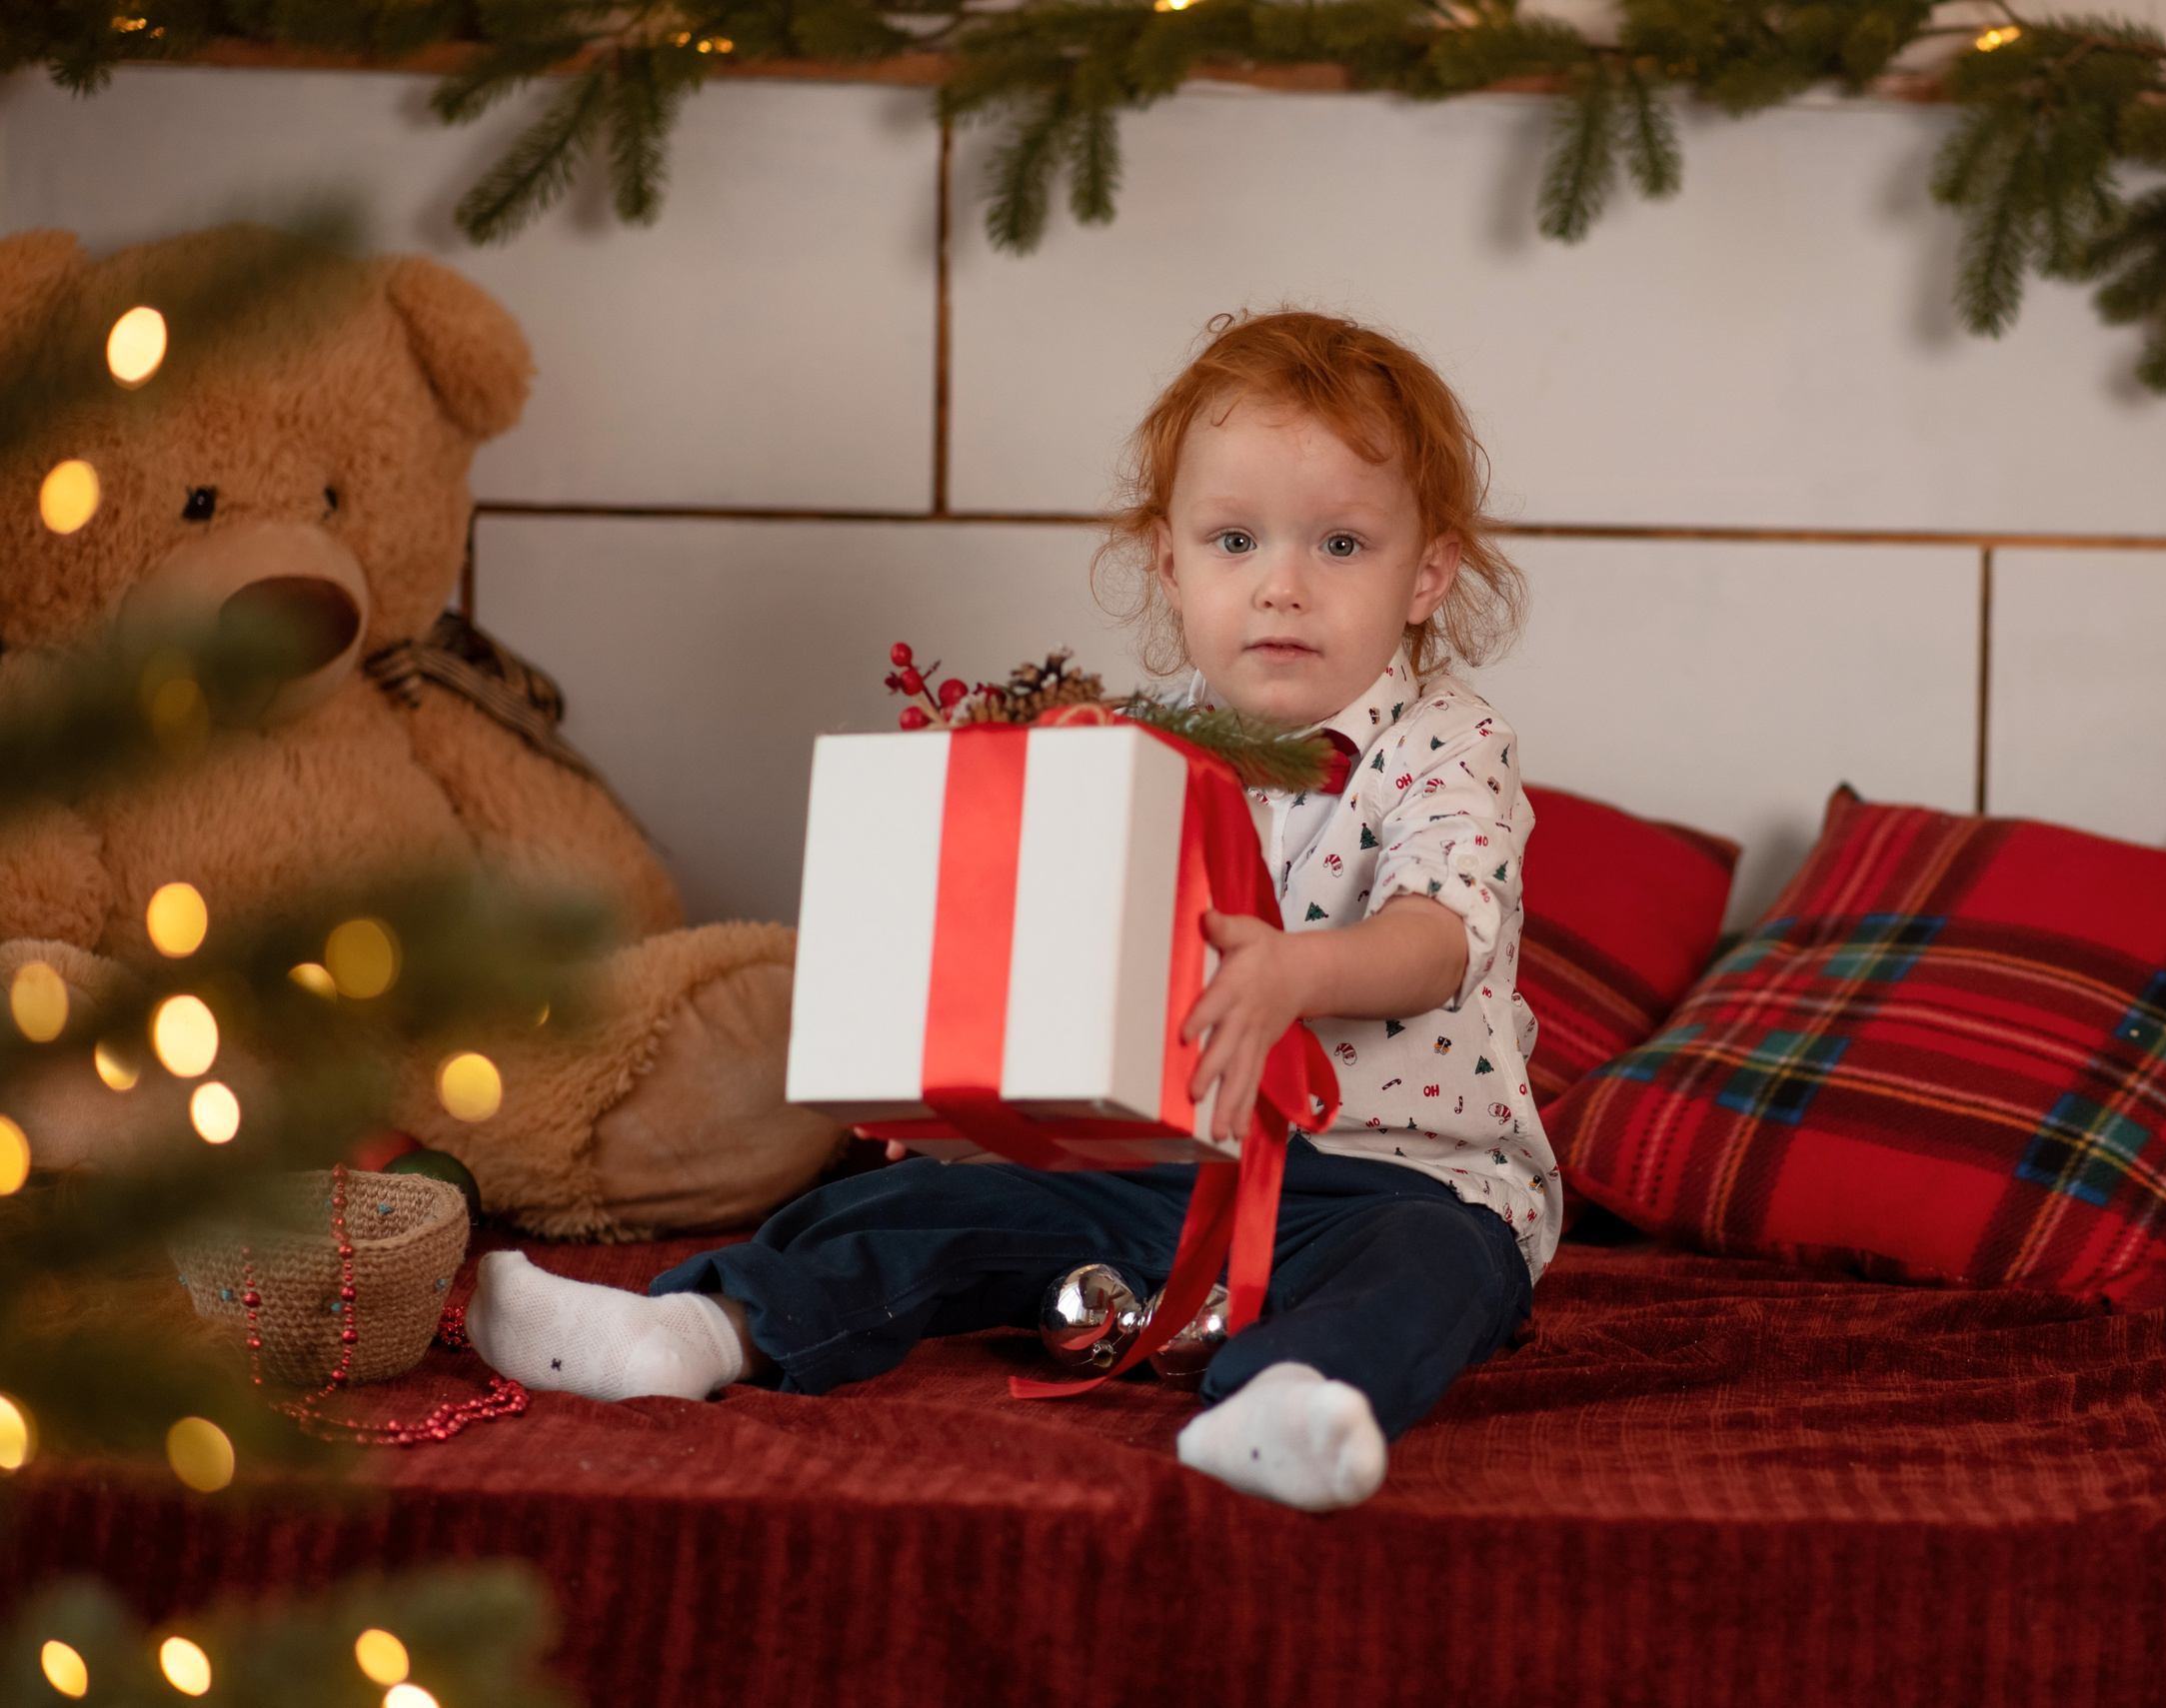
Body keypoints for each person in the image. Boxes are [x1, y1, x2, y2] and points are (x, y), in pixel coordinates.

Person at [467, 310, 1556, 1511]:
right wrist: (956, 1075)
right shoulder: (1131, 739)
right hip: (1157, 1166)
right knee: (911, 1201)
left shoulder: (1447, 746)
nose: (1282, 585)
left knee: (1436, 1273)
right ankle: (698, 1327)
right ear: (1169, 564)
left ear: (1429, 574)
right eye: (1235, 539)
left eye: (1342, 543)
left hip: (1392, 1178)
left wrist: (1299, 973)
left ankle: (1295, 1397)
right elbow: (1051, 950)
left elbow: (1440, 930)